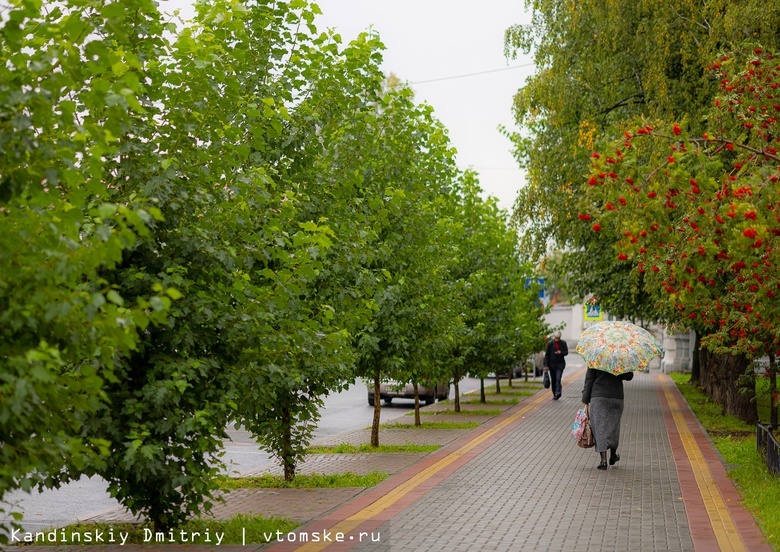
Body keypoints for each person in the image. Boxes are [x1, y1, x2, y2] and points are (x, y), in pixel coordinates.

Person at [581, 368, 634, 470]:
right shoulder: (621, 358)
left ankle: (603, 461)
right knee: (614, 427)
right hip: (616, 397)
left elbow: (589, 379)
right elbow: (629, 377)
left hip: (598, 397)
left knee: (599, 427)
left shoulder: (596, 358)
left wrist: (585, 400)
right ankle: (613, 454)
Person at [543, 331, 568, 400]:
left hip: (560, 364)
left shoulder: (563, 343)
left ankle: (558, 392)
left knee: (558, 378)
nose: (557, 339)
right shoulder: (550, 344)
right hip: (552, 365)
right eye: (556, 338)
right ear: (554, 337)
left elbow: (566, 352)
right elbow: (547, 355)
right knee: (553, 380)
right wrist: (546, 365)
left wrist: (561, 352)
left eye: (558, 338)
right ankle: (555, 393)